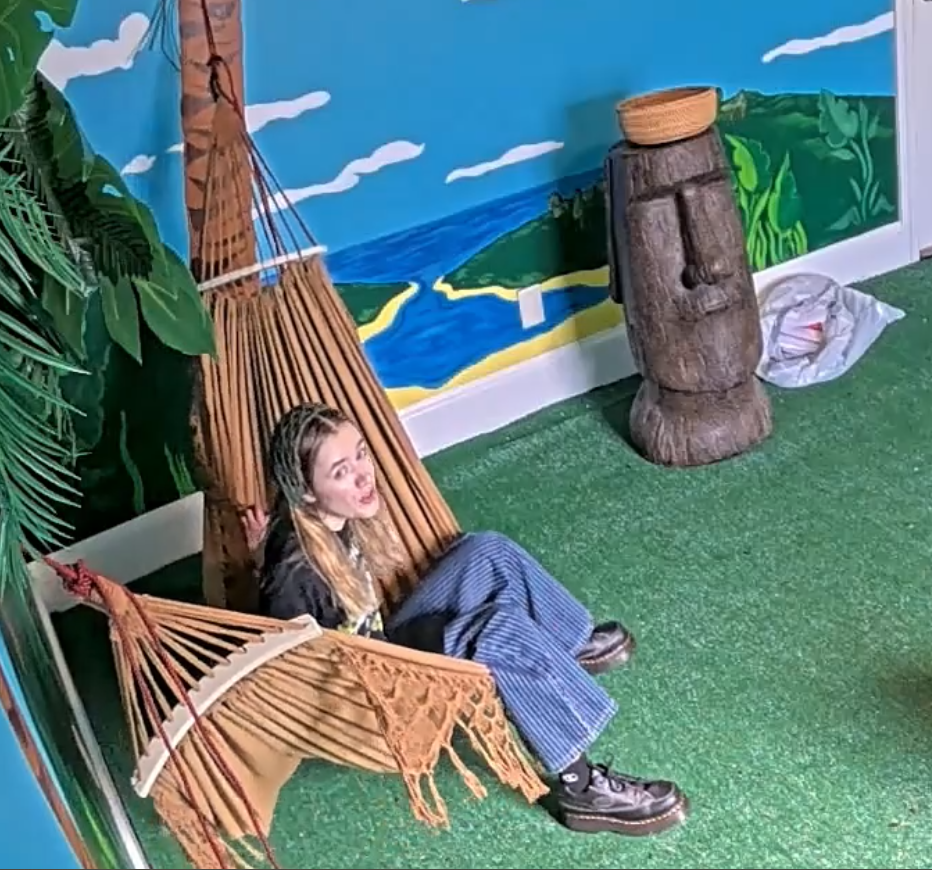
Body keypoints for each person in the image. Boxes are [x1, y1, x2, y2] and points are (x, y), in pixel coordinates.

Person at [243, 401, 689, 837]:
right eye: (341, 472)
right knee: (498, 630)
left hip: (384, 645)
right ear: (305, 491)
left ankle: (565, 646)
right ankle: (582, 789)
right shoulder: (294, 575)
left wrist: (258, 555)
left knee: (485, 552)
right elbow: (295, 671)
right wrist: (269, 575)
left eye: (361, 453)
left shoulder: (312, 520)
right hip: (377, 695)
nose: (364, 475)